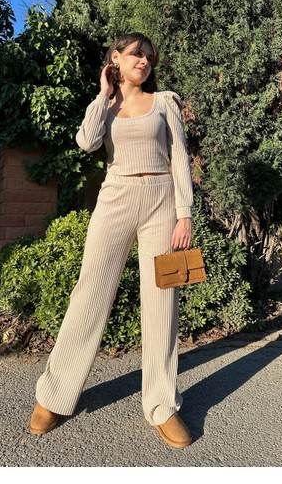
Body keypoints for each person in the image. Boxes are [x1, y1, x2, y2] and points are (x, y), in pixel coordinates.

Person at [28, 32, 194, 449]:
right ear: (115, 58)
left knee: (162, 301)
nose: (145, 62)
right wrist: (103, 94)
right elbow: (86, 142)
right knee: (90, 292)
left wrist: (185, 213)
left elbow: (179, 158)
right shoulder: (104, 106)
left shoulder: (164, 103)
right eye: (137, 54)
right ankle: (55, 394)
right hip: (116, 196)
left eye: (149, 57)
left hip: (161, 200)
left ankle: (162, 405)